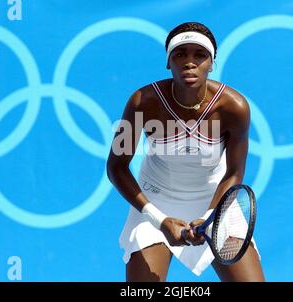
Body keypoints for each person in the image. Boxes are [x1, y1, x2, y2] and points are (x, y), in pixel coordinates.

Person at [106, 22, 265, 282]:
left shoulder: (235, 107)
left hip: (215, 204)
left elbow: (234, 173)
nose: (189, 62)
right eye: (180, 54)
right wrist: (158, 219)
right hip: (155, 202)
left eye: (199, 55)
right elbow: (116, 167)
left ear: (211, 63)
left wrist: (208, 218)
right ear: (168, 62)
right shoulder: (141, 103)